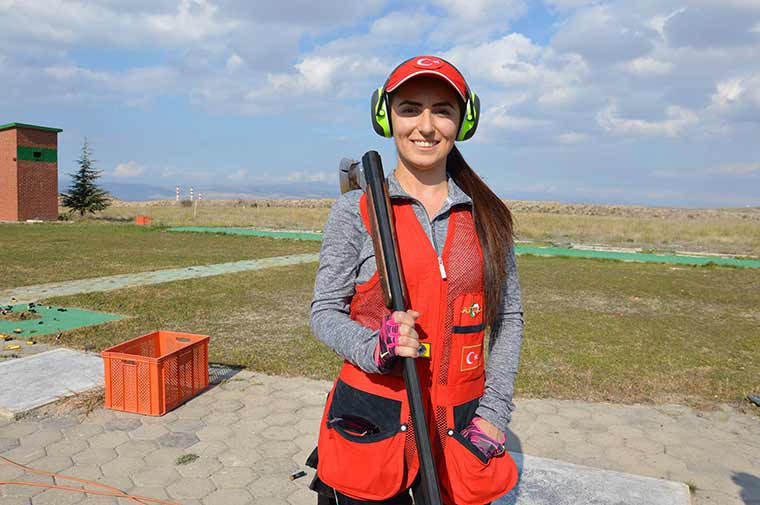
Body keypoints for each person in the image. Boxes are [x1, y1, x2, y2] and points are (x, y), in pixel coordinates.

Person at [308, 56, 524, 505]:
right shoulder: (356, 211)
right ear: (385, 116)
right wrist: (375, 346)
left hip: (460, 426)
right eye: (410, 108)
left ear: (464, 121)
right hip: (372, 420)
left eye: (442, 110)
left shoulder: (489, 218)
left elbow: (508, 319)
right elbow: (324, 312)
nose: (426, 126)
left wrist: (493, 415)